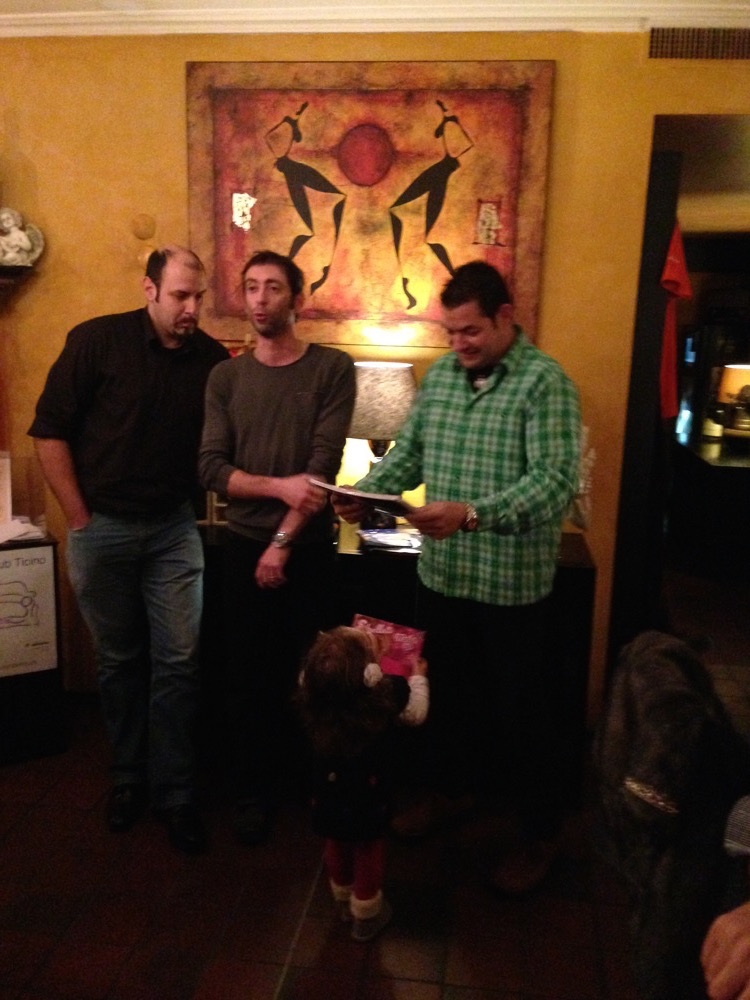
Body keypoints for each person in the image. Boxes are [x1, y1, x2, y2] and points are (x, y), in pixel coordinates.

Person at [334, 259, 581, 894]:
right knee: (447, 700)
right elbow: (412, 453)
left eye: (470, 331)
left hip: (511, 587)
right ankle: (451, 794)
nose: (458, 344)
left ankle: (541, 834)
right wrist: (366, 492)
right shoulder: (442, 377)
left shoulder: (546, 383)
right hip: (444, 576)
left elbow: (554, 483)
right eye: (450, 332)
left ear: (505, 317)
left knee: (524, 716)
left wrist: (472, 515)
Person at [28, 246, 229, 854]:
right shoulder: (96, 342)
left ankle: (176, 793)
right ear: (149, 289)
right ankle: (127, 778)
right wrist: (79, 517)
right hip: (103, 527)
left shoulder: (212, 360)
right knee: (118, 661)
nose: (191, 308)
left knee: (179, 661)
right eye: (180, 296)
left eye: (198, 297)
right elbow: (49, 433)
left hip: (172, 529)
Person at [198, 249, 356, 845]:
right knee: (248, 677)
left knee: (318, 677)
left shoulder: (332, 369)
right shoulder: (226, 377)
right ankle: (253, 793)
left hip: (307, 551)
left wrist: (282, 544)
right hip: (242, 548)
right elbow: (211, 468)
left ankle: (322, 788)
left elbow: (321, 469)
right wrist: (277, 488)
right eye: (251, 287)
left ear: (297, 298)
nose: (260, 299)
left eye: (272, 287)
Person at [296, 625, 429, 941]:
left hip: (325, 793)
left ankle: (342, 899)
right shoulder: (386, 692)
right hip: (367, 796)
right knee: (367, 847)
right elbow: (416, 713)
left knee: (335, 839)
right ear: (371, 674)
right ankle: (366, 915)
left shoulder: (314, 697)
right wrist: (418, 678)